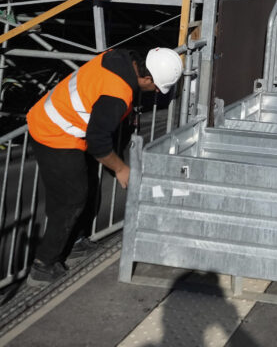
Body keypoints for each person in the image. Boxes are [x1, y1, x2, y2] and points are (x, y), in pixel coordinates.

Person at [24, 46, 183, 283]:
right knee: (71, 198)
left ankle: (75, 244)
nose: (156, 92)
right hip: (54, 132)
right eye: (156, 87)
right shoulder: (116, 94)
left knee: (81, 189)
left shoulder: (120, 57)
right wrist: (121, 168)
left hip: (60, 123)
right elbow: (98, 143)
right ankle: (43, 265)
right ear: (146, 77)